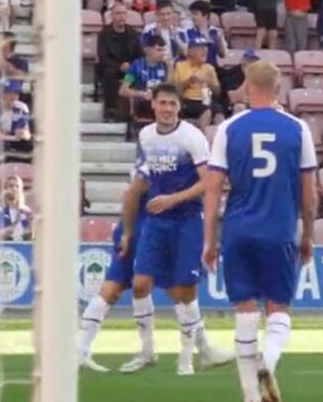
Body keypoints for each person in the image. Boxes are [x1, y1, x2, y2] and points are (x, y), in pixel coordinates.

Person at [202, 60, 317, 402]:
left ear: (249, 88)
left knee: (245, 311)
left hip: (239, 229)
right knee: (279, 308)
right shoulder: (298, 130)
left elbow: (212, 187)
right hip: (280, 229)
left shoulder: (229, 129)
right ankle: (268, 358)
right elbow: (309, 193)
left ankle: (251, 400)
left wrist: (210, 238)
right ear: (278, 88)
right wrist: (308, 235)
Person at [119, 83, 234, 376]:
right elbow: (145, 176)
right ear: (153, 105)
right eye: (163, 103)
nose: (167, 109)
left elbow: (208, 182)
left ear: (179, 107)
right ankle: (146, 350)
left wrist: (173, 198)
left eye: (172, 104)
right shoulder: (146, 136)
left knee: (185, 288)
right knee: (141, 283)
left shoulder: (191, 137)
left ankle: (192, 353)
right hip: (157, 219)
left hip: (186, 219)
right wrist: (133, 206)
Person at [79, 157, 151, 372]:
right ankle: (151, 350)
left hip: (134, 226)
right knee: (175, 287)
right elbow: (132, 194)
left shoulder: (150, 158)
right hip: (142, 229)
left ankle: (80, 349)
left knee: (113, 288)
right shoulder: (155, 160)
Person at [98, 3, 142, 122]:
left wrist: (131, 67)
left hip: (131, 68)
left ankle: (140, 109)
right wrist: (119, 67)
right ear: (111, 16)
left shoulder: (133, 33)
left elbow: (140, 55)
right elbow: (103, 57)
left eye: (123, 13)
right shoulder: (104, 34)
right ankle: (110, 109)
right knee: (108, 73)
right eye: (118, 13)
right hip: (112, 68)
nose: (121, 16)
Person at [0, 79, 33, 162]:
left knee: (28, 145)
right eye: (9, 93)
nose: (13, 97)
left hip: (10, 138)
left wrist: (23, 134)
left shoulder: (22, 107)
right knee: (1, 146)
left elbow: (26, 134)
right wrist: (16, 137)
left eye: (16, 93)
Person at [120, 35, 173, 122]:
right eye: (159, 50)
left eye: (163, 50)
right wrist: (142, 94)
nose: (162, 53)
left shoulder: (165, 66)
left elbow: (169, 90)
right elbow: (123, 90)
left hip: (162, 102)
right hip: (143, 102)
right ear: (148, 50)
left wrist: (170, 69)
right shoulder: (136, 65)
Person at [173, 37, 221, 128]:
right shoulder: (180, 66)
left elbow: (218, 92)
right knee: (207, 111)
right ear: (190, 52)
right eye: (200, 48)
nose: (205, 51)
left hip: (207, 100)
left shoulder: (209, 68)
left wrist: (209, 81)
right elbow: (176, 92)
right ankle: (202, 138)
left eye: (205, 48)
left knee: (219, 112)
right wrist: (189, 81)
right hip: (189, 101)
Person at [0, 176, 33, 241]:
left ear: (21, 190)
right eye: (11, 186)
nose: (14, 189)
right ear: (5, 189)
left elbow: (31, 233)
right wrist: (16, 222)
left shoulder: (27, 211)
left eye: (17, 186)